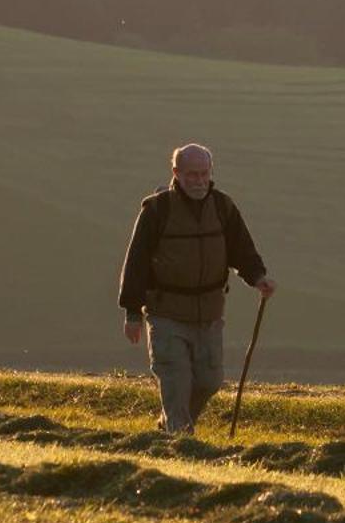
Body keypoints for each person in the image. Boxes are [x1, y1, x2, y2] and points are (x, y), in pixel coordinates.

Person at [117, 143, 277, 434]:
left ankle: (172, 425)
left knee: (209, 381)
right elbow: (136, 261)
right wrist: (132, 313)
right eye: (192, 175)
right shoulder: (157, 210)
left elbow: (242, 249)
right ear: (176, 173)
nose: (199, 181)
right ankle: (180, 437)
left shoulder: (223, 206)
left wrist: (258, 277)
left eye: (204, 174)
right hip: (166, 313)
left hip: (210, 313)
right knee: (175, 379)